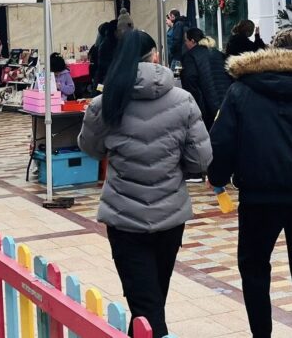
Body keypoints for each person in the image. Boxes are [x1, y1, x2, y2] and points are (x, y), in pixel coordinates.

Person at [208, 29, 292, 338]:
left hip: (260, 196)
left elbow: (222, 141)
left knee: (254, 268)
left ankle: (261, 333)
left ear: (271, 51)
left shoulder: (241, 91)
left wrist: (217, 177)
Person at [78, 30, 213, 338]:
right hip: (170, 214)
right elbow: (200, 160)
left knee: (145, 305)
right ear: (155, 57)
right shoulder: (183, 100)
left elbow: (91, 148)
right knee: (152, 302)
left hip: (123, 216)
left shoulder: (105, 103)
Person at [181, 28, 231, 130]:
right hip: (226, 103)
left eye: (186, 41)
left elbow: (190, 82)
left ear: (192, 41)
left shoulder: (190, 56)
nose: (185, 44)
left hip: (207, 108)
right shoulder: (218, 53)